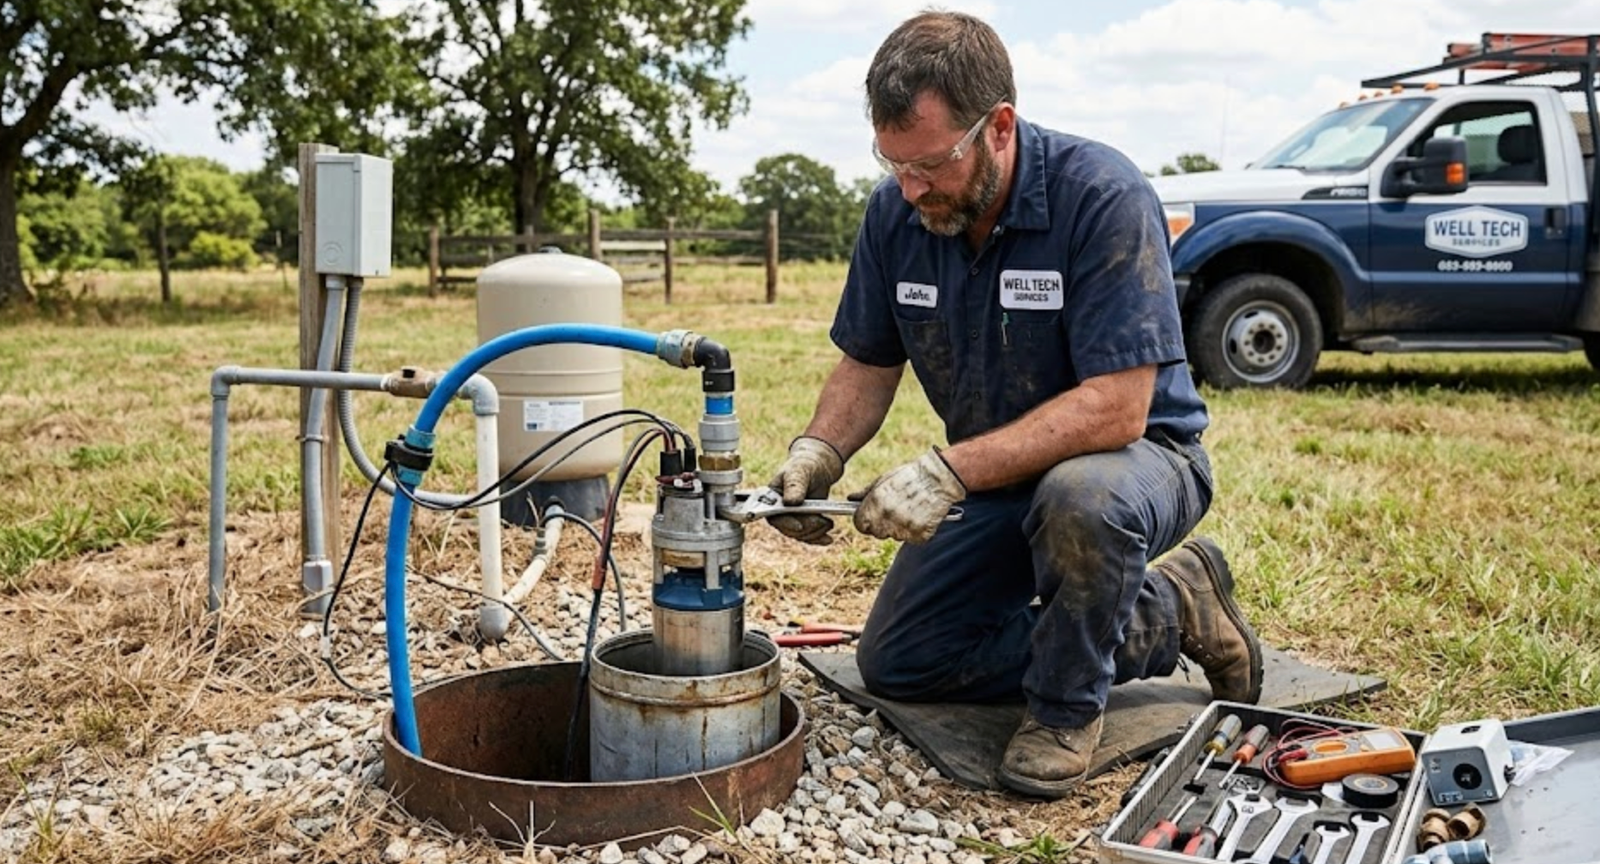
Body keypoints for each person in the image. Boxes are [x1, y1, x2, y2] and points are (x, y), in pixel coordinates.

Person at [767, 10, 1264, 799]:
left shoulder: (1101, 196)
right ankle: (1170, 608)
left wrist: (947, 470)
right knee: (901, 660)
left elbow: (1117, 410)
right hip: (991, 477)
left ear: (999, 126)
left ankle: (1065, 709)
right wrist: (819, 451)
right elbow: (867, 359)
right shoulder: (896, 213)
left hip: (1136, 466)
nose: (910, 187)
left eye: (930, 163)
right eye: (893, 162)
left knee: (1081, 498)